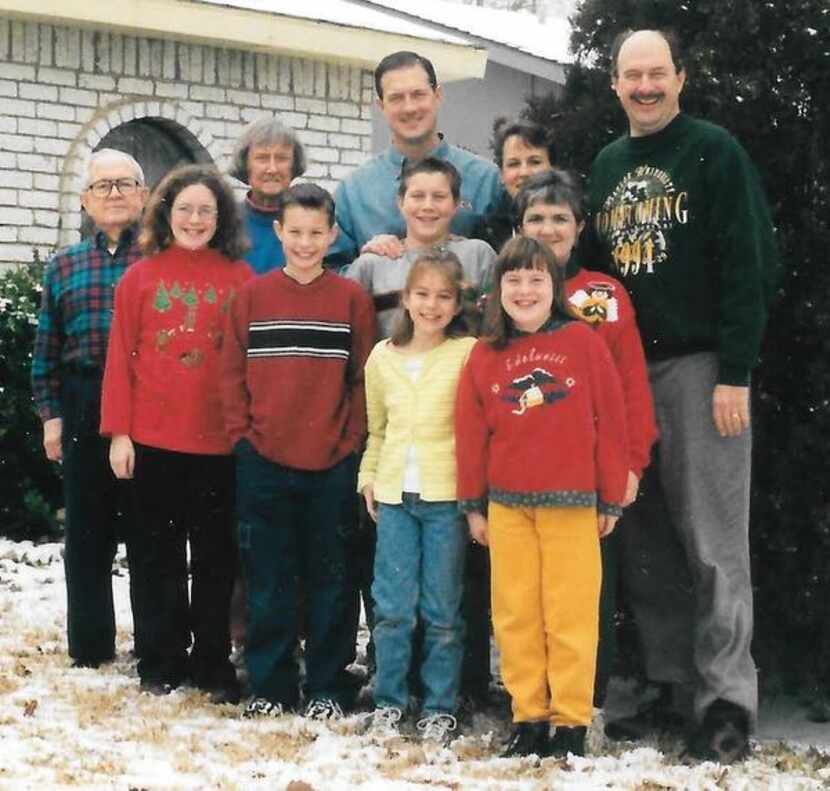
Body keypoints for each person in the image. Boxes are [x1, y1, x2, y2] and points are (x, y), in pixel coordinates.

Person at [581, 29, 778, 762]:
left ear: (680, 78)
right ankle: (669, 681)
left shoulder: (714, 152)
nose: (644, 86)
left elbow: (750, 261)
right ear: (614, 84)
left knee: (714, 542)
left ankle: (725, 699)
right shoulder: (605, 166)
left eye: (656, 73)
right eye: (631, 75)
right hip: (626, 370)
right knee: (646, 536)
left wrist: (737, 368)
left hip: (701, 368)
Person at [455, 236, 628, 759]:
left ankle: (570, 721)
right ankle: (527, 715)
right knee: (515, 615)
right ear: (497, 290)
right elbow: (470, 431)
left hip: (572, 504)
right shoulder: (486, 354)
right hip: (508, 506)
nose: (525, 290)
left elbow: (612, 422)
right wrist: (473, 503)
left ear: (554, 288)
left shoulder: (583, 343)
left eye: (536, 279)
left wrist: (610, 496)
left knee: (571, 614)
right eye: (513, 280)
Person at [220, 183, 375, 720]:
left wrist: (351, 443)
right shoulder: (252, 297)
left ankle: (328, 685)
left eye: (317, 233)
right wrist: (244, 437)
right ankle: (271, 683)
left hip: (332, 462)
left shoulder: (350, 299)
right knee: (269, 578)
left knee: (333, 580)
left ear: (332, 235)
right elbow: (231, 375)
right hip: (264, 459)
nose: (306, 243)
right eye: (296, 232)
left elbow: (362, 379)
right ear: (279, 232)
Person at [100, 164, 253, 701]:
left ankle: (210, 659)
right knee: (155, 557)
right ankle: (159, 657)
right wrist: (119, 433)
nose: (194, 219)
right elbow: (120, 359)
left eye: (205, 211)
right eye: (184, 209)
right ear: (166, 213)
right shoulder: (139, 278)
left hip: (220, 445)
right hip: (153, 442)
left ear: (221, 218)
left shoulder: (241, 279)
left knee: (215, 558)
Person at [515, 168, 657, 707]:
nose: (547, 229)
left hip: (588, 472)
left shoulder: (602, 294)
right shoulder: (504, 294)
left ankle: (584, 706)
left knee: (585, 595)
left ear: (579, 226)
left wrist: (630, 463)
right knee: (525, 594)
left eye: (559, 218)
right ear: (518, 225)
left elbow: (630, 386)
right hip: (520, 472)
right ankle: (528, 699)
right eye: (535, 218)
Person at [31, 148, 148, 669]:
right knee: (86, 532)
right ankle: (91, 647)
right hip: (82, 401)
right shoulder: (64, 264)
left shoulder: (161, 260)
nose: (115, 194)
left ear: (144, 196)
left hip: (150, 402)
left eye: (125, 184)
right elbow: (46, 351)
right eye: (103, 186)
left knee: (150, 527)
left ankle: (157, 644)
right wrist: (51, 418)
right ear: (85, 200)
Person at [359, 251, 477, 744]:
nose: (431, 305)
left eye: (443, 296)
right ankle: (388, 700)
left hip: (446, 498)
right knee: (392, 606)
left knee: (441, 608)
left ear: (456, 304)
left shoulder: (468, 352)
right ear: (405, 299)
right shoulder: (382, 357)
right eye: (422, 294)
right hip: (393, 497)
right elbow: (377, 430)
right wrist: (368, 476)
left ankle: (438, 706)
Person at [329, 50, 506, 264]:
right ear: (381, 106)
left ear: (438, 95)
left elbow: (509, 268)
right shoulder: (354, 192)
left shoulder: (486, 180)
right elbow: (329, 275)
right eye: (396, 98)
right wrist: (369, 264)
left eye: (418, 94)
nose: (410, 107)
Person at [346, 157, 495, 337]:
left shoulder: (478, 256)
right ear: (401, 202)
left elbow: (498, 326)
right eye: (417, 196)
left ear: (456, 204)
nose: (428, 206)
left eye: (439, 197)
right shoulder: (372, 265)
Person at [229, 116, 307, 274]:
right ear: (246, 164)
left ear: (293, 165)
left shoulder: (310, 224)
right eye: (262, 158)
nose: (272, 169)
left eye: (281, 158)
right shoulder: (225, 221)